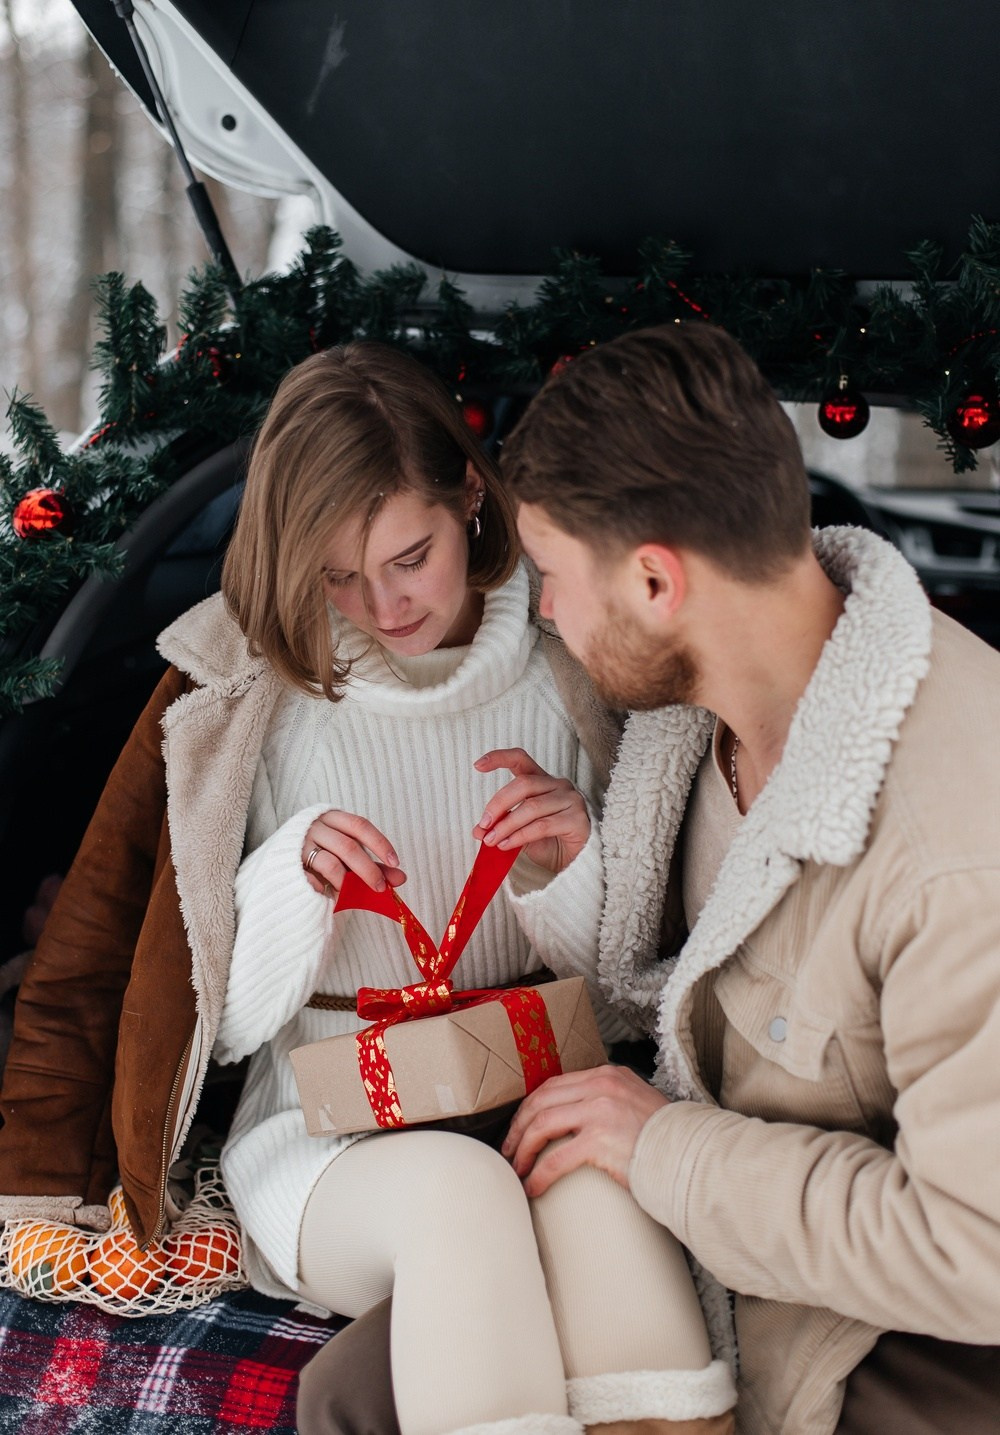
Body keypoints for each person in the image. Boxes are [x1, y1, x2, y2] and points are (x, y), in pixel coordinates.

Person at [0, 342, 736, 1435]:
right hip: (314, 1128)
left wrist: (572, 861)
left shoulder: (574, 655)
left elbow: (631, 997)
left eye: (409, 556)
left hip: (534, 1079)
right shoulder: (243, 693)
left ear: (470, 501)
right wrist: (288, 882)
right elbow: (211, 1020)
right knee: (457, 1197)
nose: (381, 605)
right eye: (337, 576)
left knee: (605, 1203)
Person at [305, 320, 1000, 1435]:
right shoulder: (695, 725)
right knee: (348, 1389)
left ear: (654, 579)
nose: (540, 611)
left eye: (551, 576)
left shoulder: (955, 851)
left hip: (891, 1323)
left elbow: (977, 1253)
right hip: (694, 1211)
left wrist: (662, 1151)